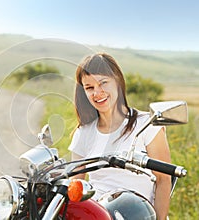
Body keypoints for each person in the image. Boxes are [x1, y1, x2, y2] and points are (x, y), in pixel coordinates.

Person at [68, 52, 172, 219]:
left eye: (103, 83)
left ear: (117, 81)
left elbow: (163, 181)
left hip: (140, 214)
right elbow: (74, 185)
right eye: (89, 88)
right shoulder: (83, 133)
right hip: (98, 214)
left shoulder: (146, 124)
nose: (97, 92)